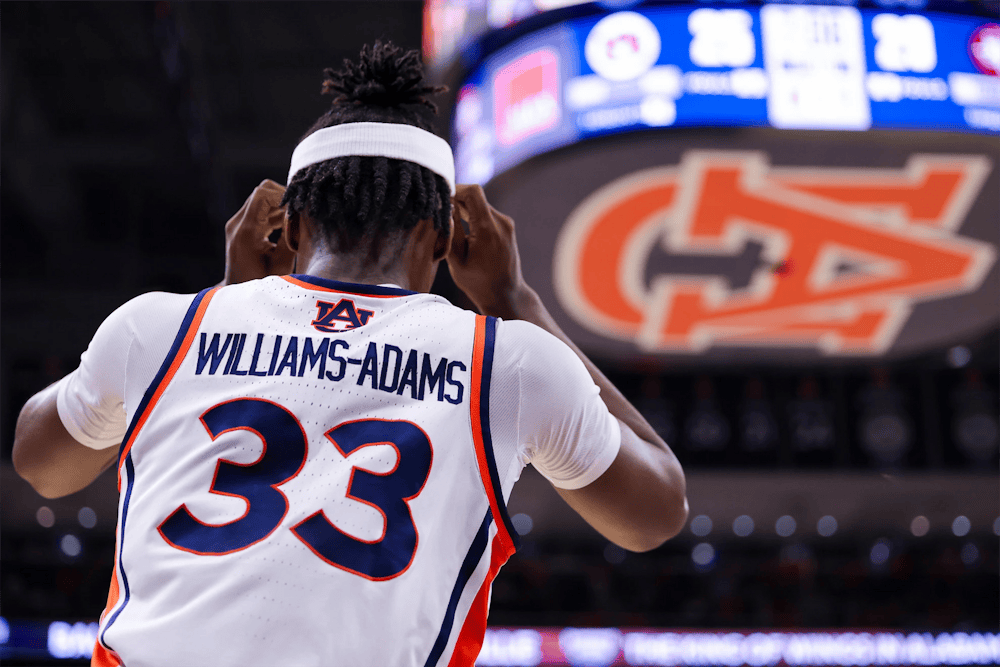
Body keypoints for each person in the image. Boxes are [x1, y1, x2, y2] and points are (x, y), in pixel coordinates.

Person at [13, 42, 687, 667]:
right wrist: (515, 300)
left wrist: (225, 296)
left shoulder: (162, 326)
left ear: (293, 225)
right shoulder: (509, 361)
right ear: (444, 237)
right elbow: (657, 510)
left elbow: (40, 462)